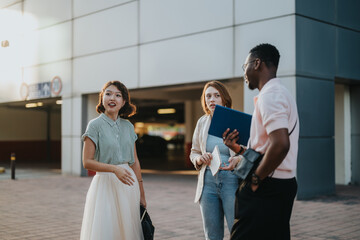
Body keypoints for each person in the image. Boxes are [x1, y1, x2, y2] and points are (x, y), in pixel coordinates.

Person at [221, 43, 299, 240]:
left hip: (266, 185)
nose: (244, 72)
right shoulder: (281, 93)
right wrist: (238, 149)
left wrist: (255, 179)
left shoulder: (270, 96)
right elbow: (267, 146)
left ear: (257, 64)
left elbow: (281, 144)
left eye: (245, 66)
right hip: (280, 183)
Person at [80, 80, 146, 240]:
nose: (112, 98)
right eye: (108, 94)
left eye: (118, 95)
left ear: (123, 102)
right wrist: (114, 169)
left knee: (127, 232)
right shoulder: (94, 125)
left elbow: (135, 161)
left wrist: (142, 194)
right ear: (102, 98)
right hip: (105, 186)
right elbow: (87, 162)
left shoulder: (128, 126)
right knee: (107, 231)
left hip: (129, 186)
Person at [190, 81, 239, 240]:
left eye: (216, 95)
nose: (212, 99)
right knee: (212, 235)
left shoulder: (235, 120)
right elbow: (194, 152)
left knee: (237, 231)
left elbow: (248, 152)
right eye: (208, 96)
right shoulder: (202, 122)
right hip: (207, 184)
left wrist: (237, 160)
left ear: (224, 98)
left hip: (231, 182)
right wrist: (199, 159)